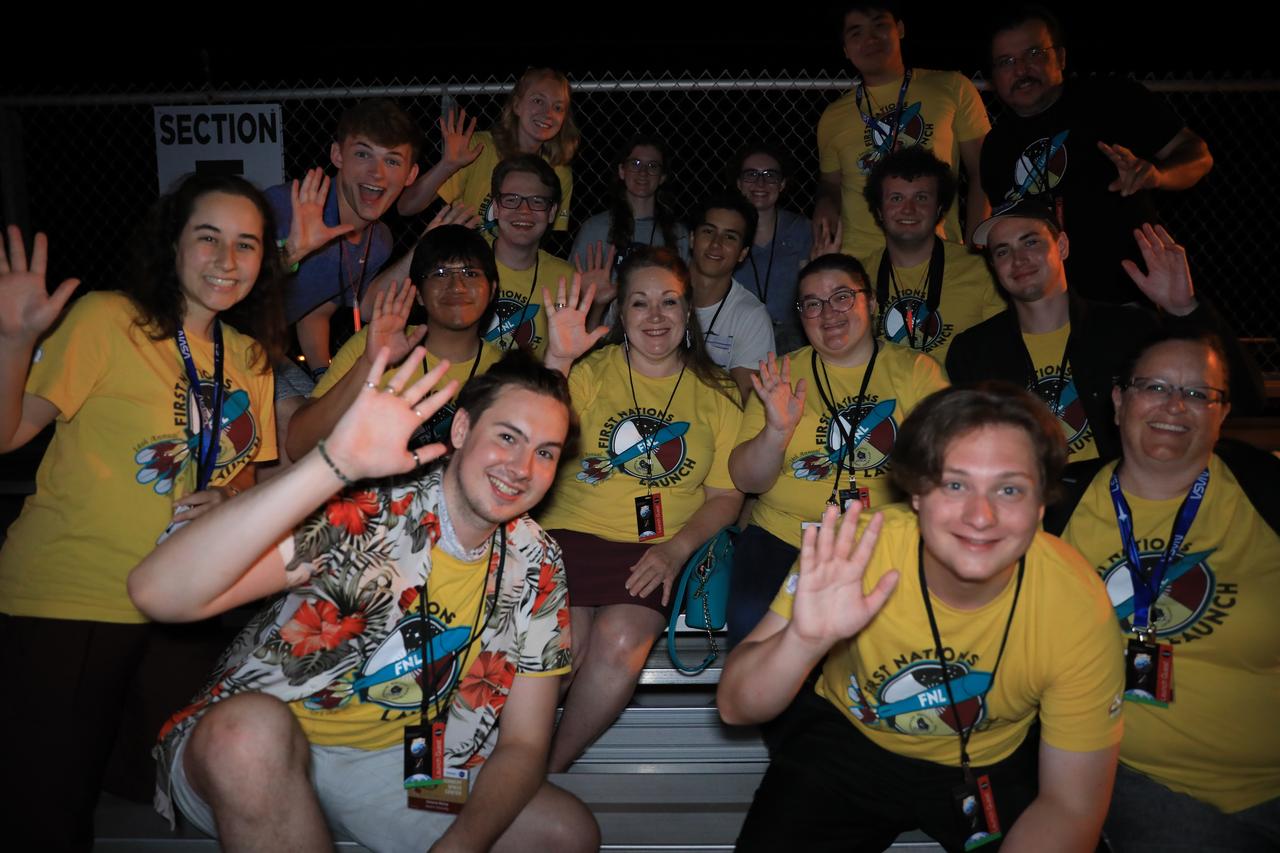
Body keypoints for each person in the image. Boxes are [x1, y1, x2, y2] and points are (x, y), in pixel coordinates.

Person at [132, 348, 599, 853]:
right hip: (258, 743)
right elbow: (157, 593)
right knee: (248, 734)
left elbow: (526, 744)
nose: (522, 467)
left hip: (393, 764)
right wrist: (335, 464)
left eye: (545, 452)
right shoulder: (371, 509)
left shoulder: (537, 560)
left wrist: (461, 845)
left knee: (564, 833)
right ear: (462, 430)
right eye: (507, 437)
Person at [0, 174, 284, 850]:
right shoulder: (106, 319)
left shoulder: (249, 358)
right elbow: (6, 435)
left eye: (246, 244)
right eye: (207, 237)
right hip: (69, 599)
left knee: (157, 798)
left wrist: (231, 495)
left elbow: (250, 472)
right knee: (46, 810)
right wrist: (12, 339)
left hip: (182, 609)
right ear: (172, 243)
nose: (226, 259)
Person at [719, 384, 1125, 852]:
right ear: (916, 495)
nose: (980, 515)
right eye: (955, 484)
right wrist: (805, 640)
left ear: (1040, 504)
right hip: (849, 740)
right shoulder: (858, 551)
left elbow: (1071, 806)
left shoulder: (1074, 604)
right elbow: (736, 706)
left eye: (1009, 488)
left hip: (992, 755)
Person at [1044, 331, 1280, 852]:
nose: (1176, 405)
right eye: (1154, 387)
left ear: (1222, 413)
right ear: (1119, 400)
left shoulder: (1265, 490)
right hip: (1149, 784)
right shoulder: (1056, 506)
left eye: (1199, 394)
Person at [537, 247, 746, 772]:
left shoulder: (717, 392)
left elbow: (726, 497)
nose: (655, 316)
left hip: (655, 549)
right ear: (621, 315)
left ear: (687, 312)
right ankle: (514, 759)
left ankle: (550, 768)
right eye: (639, 303)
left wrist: (676, 551)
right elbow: (537, 428)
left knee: (623, 639)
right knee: (562, 652)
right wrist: (559, 359)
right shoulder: (590, 371)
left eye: (669, 302)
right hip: (569, 535)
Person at [724, 252, 945, 645]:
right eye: (813, 303)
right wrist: (777, 431)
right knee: (750, 619)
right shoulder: (780, 376)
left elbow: (946, 466)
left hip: (883, 537)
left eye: (842, 296)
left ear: (871, 301)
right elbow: (746, 480)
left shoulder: (916, 372)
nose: (828, 313)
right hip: (786, 536)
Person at [946, 200, 1263, 462]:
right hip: (1030, 510)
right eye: (1002, 251)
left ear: (1063, 246)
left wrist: (1185, 310)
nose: (1018, 259)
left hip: (1117, 508)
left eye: (1031, 242)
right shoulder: (975, 350)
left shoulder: (1127, 330)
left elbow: (1244, 397)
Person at [980, 6, 1213, 305]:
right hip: (1047, 312)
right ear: (993, 77)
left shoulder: (1109, 98)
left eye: (1035, 53)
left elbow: (1197, 155)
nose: (1022, 69)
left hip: (1131, 300)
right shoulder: (995, 146)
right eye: (1006, 61)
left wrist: (1157, 175)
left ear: (1061, 57)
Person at [285, 224, 504, 460]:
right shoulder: (376, 343)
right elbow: (299, 445)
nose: (457, 286)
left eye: (470, 273)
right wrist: (369, 363)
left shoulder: (504, 372)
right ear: (418, 292)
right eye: (440, 274)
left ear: (491, 290)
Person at [813, 2, 991, 260]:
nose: (870, 38)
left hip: (936, 255)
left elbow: (983, 173)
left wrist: (976, 251)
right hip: (860, 262)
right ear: (845, 49)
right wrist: (825, 203)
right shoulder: (833, 115)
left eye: (879, 25)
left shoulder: (952, 87)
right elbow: (830, 183)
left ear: (900, 29)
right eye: (856, 33)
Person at [267, 98, 422, 376]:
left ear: (410, 174)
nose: (377, 172)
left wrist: (321, 373)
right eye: (363, 155)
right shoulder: (287, 208)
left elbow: (316, 310)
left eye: (392, 160)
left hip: (263, 348)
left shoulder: (378, 243)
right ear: (338, 155)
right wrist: (291, 251)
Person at [860, 145, 1005, 365]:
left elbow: (1001, 355)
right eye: (896, 198)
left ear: (939, 208)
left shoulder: (981, 270)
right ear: (879, 210)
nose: (908, 209)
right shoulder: (857, 277)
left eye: (921, 198)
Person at [397, 68, 578, 235]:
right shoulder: (478, 149)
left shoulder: (558, 169)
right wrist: (447, 165)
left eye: (558, 107)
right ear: (516, 105)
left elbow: (548, 240)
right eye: (538, 101)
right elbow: (406, 207)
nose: (548, 113)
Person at [483, 154, 607, 359]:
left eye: (537, 201)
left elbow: (578, 354)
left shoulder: (565, 277)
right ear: (496, 208)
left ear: (551, 213)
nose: (524, 211)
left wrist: (598, 305)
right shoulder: (468, 263)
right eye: (511, 200)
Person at [688, 192, 776, 402]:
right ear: (692, 238)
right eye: (708, 231)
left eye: (729, 236)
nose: (716, 244)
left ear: (742, 253)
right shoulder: (658, 292)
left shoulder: (750, 315)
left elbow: (748, 399)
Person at [731, 142, 813, 354]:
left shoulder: (801, 228)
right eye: (751, 174)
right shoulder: (727, 231)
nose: (761, 182)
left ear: (782, 184)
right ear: (739, 183)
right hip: (738, 334)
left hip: (792, 338)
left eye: (770, 175)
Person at [572, 135, 689, 275]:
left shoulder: (678, 234)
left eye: (653, 166)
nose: (643, 172)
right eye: (635, 163)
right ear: (622, 171)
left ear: (662, 177)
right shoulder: (595, 228)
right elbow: (570, 283)